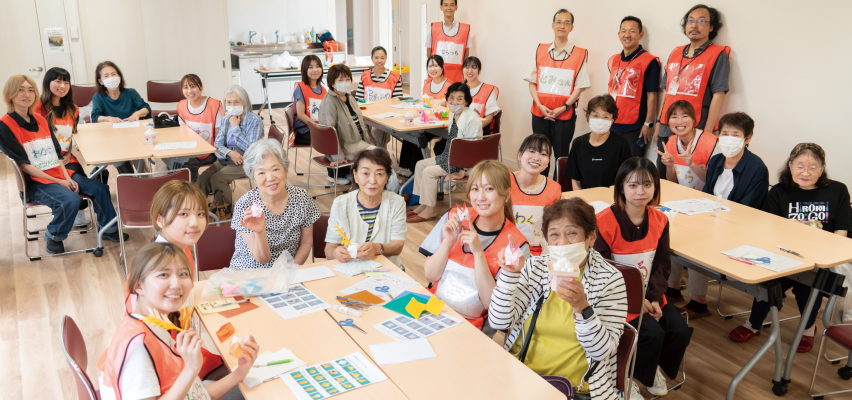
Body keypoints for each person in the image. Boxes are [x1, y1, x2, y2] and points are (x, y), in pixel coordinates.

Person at [489, 198, 627, 400]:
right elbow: (499, 322)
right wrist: (510, 274)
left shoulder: (610, 279)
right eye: (554, 235)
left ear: (591, 237)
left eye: (571, 233)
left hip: (573, 389)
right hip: (520, 375)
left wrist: (582, 307)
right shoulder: (534, 267)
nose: (562, 242)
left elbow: (601, 351)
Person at [729, 143, 851, 353]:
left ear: (822, 169)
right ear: (790, 166)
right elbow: (769, 230)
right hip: (784, 256)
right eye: (800, 166)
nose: (805, 172)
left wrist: (824, 257)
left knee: (808, 287)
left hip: (821, 260)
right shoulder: (779, 191)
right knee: (768, 282)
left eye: (813, 167)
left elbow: (842, 231)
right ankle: (753, 323)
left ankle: (808, 329)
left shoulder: (837, 190)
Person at [98, 242, 258, 400]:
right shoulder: (138, 347)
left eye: (183, 274)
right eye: (163, 275)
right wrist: (191, 369)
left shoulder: (154, 324)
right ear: (139, 286)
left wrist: (239, 373)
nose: (176, 284)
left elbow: (197, 394)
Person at [594, 158, 692, 400]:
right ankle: (624, 378)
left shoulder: (660, 220)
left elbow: (662, 264)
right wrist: (638, 302)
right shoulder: (603, 222)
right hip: (617, 299)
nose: (640, 191)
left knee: (679, 331)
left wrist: (654, 298)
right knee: (651, 334)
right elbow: (605, 271)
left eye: (647, 185)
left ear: (655, 187)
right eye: (633, 185)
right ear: (621, 187)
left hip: (650, 295)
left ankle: (651, 367)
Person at [0, 75, 127, 254]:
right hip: (35, 182)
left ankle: (109, 229)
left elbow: (56, 153)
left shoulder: (40, 119)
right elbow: (24, 165)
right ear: (10, 94)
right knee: (71, 200)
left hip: (59, 173)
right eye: (20, 90)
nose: (26, 94)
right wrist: (60, 181)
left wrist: (66, 176)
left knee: (99, 188)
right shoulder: (5, 126)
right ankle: (53, 235)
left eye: (30, 90)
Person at [664, 113, 772, 317]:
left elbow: (748, 209)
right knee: (672, 230)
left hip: (738, 227)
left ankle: (698, 302)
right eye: (724, 133)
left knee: (695, 242)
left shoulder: (757, 168)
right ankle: (672, 289)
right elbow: (707, 194)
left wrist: (709, 220)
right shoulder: (716, 160)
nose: (729, 138)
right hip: (712, 218)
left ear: (748, 138)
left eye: (735, 134)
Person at [420, 160, 530, 330]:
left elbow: (491, 305)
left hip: (471, 327)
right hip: (431, 310)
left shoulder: (516, 245)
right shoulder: (453, 217)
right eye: (475, 189)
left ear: (506, 195)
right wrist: (448, 243)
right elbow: (430, 276)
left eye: (489, 189)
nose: (481, 197)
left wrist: (478, 253)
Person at [654, 100, 719, 318]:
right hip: (681, 201)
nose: (679, 121)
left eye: (684, 116)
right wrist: (669, 166)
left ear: (694, 119)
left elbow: (713, 181)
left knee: (695, 248)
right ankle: (672, 288)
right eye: (674, 116)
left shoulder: (711, 142)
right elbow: (673, 181)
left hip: (707, 203)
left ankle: (699, 302)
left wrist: (691, 163)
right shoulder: (672, 141)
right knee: (670, 237)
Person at [655, 4, 730, 179]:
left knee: (691, 178)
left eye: (701, 21)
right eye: (690, 21)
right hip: (668, 127)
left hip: (696, 129)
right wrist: (659, 123)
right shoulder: (676, 52)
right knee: (664, 175)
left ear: (711, 27)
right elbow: (666, 91)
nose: (694, 25)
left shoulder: (718, 54)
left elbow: (719, 94)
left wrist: (707, 134)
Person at [230, 139, 320, 269]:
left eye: (275, 169)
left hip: (288, 270)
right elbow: (262, 259)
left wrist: (291, 271)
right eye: (261, 173)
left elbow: (306, 243)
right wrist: (260, 233)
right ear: (253, 178)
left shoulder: (302, 198)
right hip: (250, 271)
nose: (270, 178)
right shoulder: (246, 205)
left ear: (285, 169)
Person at [526, 8, 591, 179]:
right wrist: (539, 105)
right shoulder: (541, 50)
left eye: (567, 23)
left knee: (561, 155)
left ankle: (558, 189)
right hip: (539, 112)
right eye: (559, 22)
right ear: (553, 25)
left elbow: (580, 86)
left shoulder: (579, 54)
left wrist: (564, 107)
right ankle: (539, 185)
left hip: (564, 114)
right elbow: (532, 81)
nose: (562, 25)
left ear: (571, 28)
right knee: (539, 152)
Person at [408, 82, 482, 223]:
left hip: (461, 162)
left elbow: (471, 149)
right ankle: (423, 204)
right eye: (452, 98)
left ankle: (430, 210)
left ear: (466, 101)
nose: (454, 102)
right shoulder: (453, 113)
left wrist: (462, 171)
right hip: (449, 156)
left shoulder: (472, 119)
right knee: (420, 165)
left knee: (428, 172)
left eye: (459, 99)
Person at [326, 148, 408, 268]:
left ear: (387, 177)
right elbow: (329, 248)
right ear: (355, 175)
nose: (372, 181)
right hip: (350, 270)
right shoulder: (340, 204)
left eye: (379, 174)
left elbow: (398, 246)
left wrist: (377, 248)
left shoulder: (397, 202)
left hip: (386, 270)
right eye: (365, 173)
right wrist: (335, 253)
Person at [197, 85, 263, 219]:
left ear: (244, 102)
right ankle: (196, 210)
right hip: (227, 158)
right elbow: (218, 144)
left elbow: (251, 148)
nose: (232, 105)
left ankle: (224, 214)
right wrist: (229, 153)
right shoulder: (225, 120)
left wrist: (235, 127)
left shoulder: (254, 121)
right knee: (203, 179)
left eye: (236, 102)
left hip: (246, 161)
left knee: (217, 179)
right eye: (229, 102)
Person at [35, 67, 89, 227]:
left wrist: (68, 154)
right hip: (43, 159)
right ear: (48, 83)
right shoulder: (36, 108)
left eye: (66, 82)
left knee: (79, 175)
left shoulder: (73, 109)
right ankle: (61, 209)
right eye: (58, 81)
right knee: (59, 179)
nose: (63, 86)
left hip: (65, 157)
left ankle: (79, 210)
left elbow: (69, 136)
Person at [608, 16, 661, 158]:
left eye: (632, 31)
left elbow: (652, 95)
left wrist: (648, 124)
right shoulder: (614, 59)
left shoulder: (649, 61)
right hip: (612, 122)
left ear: (640, 35)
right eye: (623, 31)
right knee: (612, 163)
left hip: (635, 125)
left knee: (633, 165)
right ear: (619, 34)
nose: (627, 35)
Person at [318, 64, 379, 181]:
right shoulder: (329, 101)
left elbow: (360, 122)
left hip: (356, 141)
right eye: (340, 80)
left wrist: (367, 139)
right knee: (379, 155)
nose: (345, 83)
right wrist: (337, 156)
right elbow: (329, 132)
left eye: (347, 79)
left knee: (379, 153)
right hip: (344, 146)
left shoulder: (349, 97)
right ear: (332, 83)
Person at [397, 54, 456, 176]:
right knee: (411, 131)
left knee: (419, 135)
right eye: (430, 66)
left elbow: (452, 109)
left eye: (436, 66)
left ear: (442, 67)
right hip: (427, 121)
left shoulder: (450, 86)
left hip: (442, 124)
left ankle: (413, 169)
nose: (433, 69)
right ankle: (405, 166)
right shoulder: (427, 84)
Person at [91, 60, 152, 174]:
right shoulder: (98, 97)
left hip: (134, 135)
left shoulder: (131, 92)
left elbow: (146, 108)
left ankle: (145, 180)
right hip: (113, 138)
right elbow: (95, 117)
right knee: (123, 165)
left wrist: (137, 114)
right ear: (100, 81)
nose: (111, 78)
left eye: (114, 74)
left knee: (141, 165)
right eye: (106, 76)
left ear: (119, 76)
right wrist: (108, 118)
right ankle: (129, 180)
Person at [509, 134, 562, 256]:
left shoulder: (554, 188)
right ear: (520, 155)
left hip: (541, 253)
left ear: (548, 162)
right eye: (532, 151)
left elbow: (555, 225)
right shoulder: (504, 183)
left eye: (543, 154)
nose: (537, 157)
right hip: (508, 249)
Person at [566, 95, 632, 190]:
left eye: (606, 117)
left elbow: (627, 178)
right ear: (588, 116)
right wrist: (580, 198)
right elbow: (575, 180)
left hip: (611, 196)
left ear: (612, 120)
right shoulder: (578, 143)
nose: (600, 120)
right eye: (595, 115)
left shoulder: (621, 144)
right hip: (584, 196)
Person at [292, 54, 341, 183]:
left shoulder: (323, 89)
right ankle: (334, 174)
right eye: (310, 67)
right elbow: (300, 114)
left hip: (319, 129)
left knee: (340, 133)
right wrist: (317, 127)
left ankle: (343, 171)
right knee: (333, 138)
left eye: (318, 66)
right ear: (304, 70)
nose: (315, 70)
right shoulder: (300, 87)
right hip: (304, 131)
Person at [150, 180, 210, 270]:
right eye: (183, 214)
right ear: (160, 220)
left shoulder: (183, 249)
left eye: (200, 214)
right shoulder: (157, 266)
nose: (194, 223)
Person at [176, 74, 224, 181]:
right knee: (173, 161)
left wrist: (219, 154)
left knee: (186, 164)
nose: (190, 91)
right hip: (189, 149)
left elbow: (219, 133)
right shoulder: (181, 105)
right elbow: (182, 130)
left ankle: (193, 189)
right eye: (186, 87)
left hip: (209, 151)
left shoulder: (214, 104)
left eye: (193, 86)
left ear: (201, 88)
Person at [425, 0, 470, 83]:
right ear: (441, 7)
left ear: (456, 7)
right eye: (446, 5)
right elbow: (429, 53)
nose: (449, 8)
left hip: (457, 78)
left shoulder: (464, 30)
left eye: (451, 5)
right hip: (437, 77)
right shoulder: (433, 28)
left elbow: (466, 56)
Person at [461, 57, 500, 135]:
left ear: (480, 71)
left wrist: (472, 129)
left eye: (474, 67)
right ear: (462, 70)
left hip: (479, 133)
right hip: (460, 130)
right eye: (467, 67)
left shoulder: (488, 90)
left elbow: (489, 118)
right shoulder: (458, 89)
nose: (470, 71)